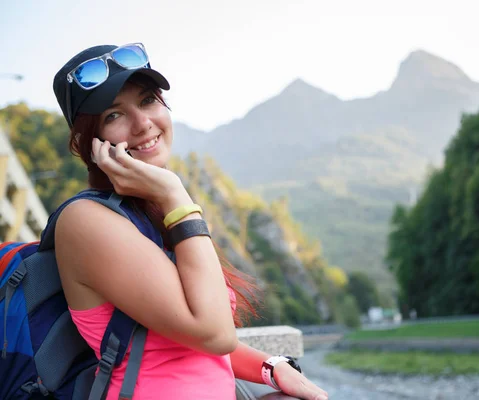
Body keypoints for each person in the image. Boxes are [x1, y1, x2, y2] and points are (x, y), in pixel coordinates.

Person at [51, 43, 329, 400]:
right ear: (88, 143)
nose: (143, 124)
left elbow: (189, 346)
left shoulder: (151, 217)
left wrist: (270, 367)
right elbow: (215, 333)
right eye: (114, 115)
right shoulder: (85, 221)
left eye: (148, 100)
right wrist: (174, 195)